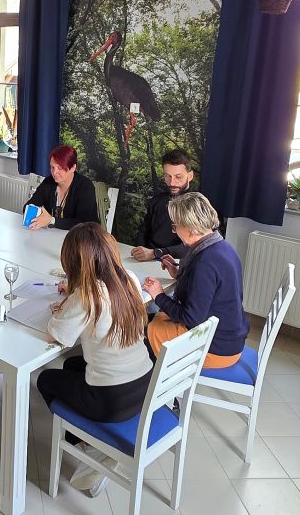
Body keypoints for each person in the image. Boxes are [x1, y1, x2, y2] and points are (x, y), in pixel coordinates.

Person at [37, 222, 153, 497]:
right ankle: (89, 442)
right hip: (144, 386)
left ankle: (91, 447)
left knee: (45, 379)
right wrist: (73, 295)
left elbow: (55, 335)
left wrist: (61, 309)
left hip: (111, 400)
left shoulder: (87, 295)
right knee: (71, 365)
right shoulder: (129, 278)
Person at [143, 192, 248, 368]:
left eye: (175, 226)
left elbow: (190, 318)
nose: (174, 231)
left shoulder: (205, 262)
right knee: (148, 321)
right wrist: (178, 272)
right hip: (229, 338)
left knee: (141, 333)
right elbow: (208, 289)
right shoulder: (222, 247)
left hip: (214, 348)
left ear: (190, 228)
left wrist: (158, 295)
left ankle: (156, 382)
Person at [131, 149, 194, 261]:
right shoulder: (157, 200)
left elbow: (196, 245)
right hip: (148, 259)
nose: (172, 182)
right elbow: (144, 231)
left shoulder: (199, 205)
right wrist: (140, 250)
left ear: (190, 176)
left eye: (178, 177)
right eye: (167, 176)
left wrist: (155, 253)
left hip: (177, 263)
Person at [24, 145, 99, 230]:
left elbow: (83, 224)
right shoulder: (48, 182)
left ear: (73, 168)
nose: (54, 172)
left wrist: (51, 220)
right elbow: (29, 206)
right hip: (54, 234)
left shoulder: (85, 187)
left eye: (60, 168)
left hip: (85, 235)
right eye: (52, 167)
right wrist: (38, 212)